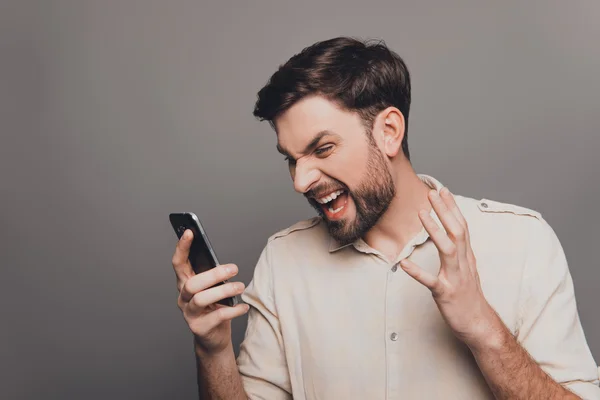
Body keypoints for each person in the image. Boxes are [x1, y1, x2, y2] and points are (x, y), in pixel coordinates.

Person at [171, 37, 600, 399]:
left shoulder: (521, 242)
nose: (301, 181)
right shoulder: (284, 261)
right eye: (291, 160)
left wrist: (483, 329)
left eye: (322, 150)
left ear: (389, 132)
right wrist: (213, 350)